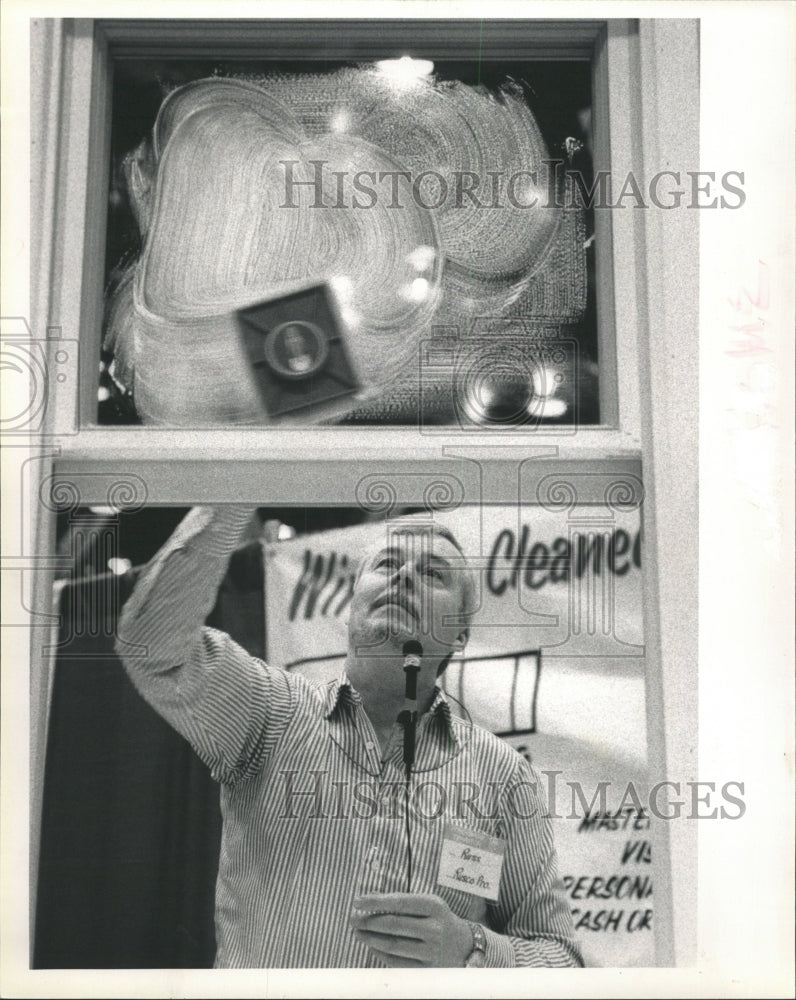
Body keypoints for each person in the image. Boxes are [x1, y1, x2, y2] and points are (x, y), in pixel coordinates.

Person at [116, 506, 582, 969]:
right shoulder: (270, 712)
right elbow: (151, 647)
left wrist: (469, 948)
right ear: (352, 603)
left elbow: (560, 957)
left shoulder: (504, 777)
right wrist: (232, 492)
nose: (403, 577)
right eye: (386, 565)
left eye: (433, 574)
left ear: (460, 634)